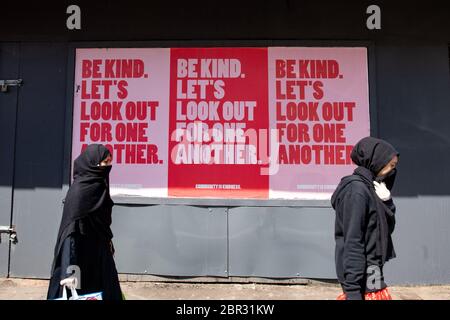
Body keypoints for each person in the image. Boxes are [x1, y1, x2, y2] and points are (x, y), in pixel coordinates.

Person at [47, 144, 123, 300]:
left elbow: (102, 224)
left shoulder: (100, 188)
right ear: (93, 163)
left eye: (110, 162)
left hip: (99, 255)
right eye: (105, 162)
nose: (108, 166)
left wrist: (109, 244)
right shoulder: (79, 192)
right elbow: (70, 233)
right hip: (79, 257)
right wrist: (70, 270)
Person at [331, 137, 400, 300]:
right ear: (377, 162)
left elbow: (385, 230)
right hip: (360, 278)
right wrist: (353, 292)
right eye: (390, 166)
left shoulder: (372, 188)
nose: (392, 171)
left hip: (373, 271)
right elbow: (353, 242)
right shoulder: (357, 191)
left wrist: (387, 203)